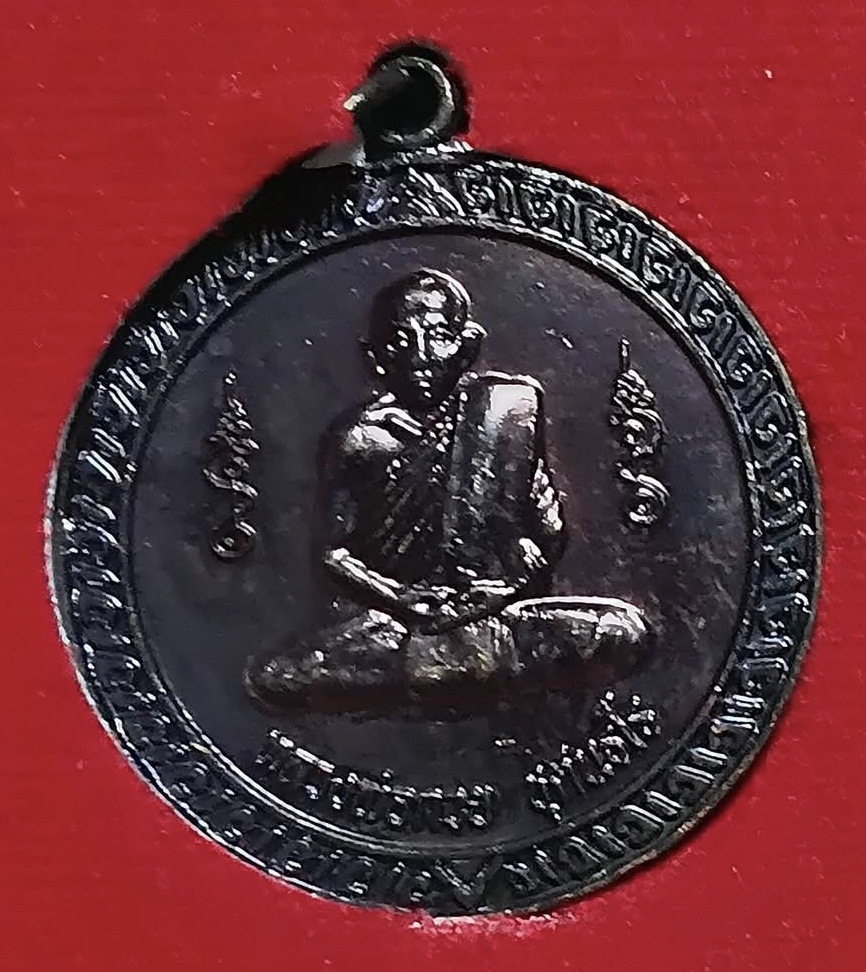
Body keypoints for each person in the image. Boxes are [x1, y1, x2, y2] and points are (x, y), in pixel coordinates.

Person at [245, 269, 647, 706]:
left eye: (438, 335)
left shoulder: (504, 412)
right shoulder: (359, 438)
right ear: (375, 357)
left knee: (622, 631)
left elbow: (546, 533)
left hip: (494, 612)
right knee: (278, 677)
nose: (420, 355)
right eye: (401, 341)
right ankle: (471, 676)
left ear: (466, 346)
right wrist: (402, 599)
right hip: (398, 624)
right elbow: (333, 553)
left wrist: (517, 571)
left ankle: (445, 677)